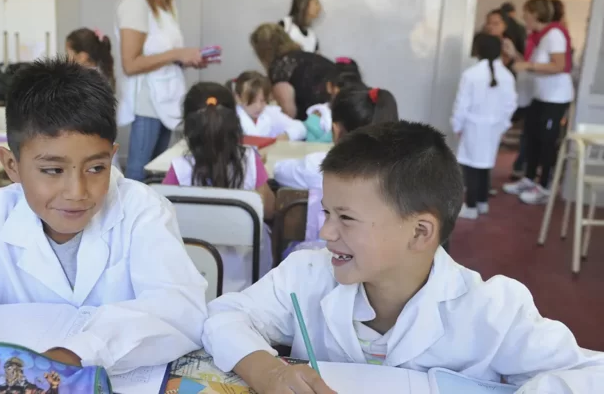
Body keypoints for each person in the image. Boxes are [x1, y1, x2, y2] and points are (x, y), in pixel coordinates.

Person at [202, 121, 604, 394]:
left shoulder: (492, 310)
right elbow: (223, 316)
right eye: (327, 212)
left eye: (346, 218)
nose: (325, 232)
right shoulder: (306, 275)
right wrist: (268, 371)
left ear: (420, 232)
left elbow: (591, 374)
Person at [0, 59, 208, 372]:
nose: (77, 191)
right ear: (12, 165)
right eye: (52, 170)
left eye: (96, 167)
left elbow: (180, 307)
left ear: (112, 157)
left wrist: (75, 354)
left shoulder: (143, 211)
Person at [162, 82, 275, 292]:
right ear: (235, 122)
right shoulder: (251, 161)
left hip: (193, 283)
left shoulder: (178, 168)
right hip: (247, 283)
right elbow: (268, 209)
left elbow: (163, 219)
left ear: (187, 125)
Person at [116, 0, 207, 182]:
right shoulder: (135, 3)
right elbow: (131, 64)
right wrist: (176, 53)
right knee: (140, 170)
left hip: (167, 97)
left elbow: (161, 54)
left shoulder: (165, 3)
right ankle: (131, 215)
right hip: (148, 101)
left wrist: (185, 60)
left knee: (158, 169)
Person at [275, 87, 399, 242]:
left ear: (336, 130)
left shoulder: (319, 165)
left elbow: (279, 171)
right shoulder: (400, 173)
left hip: (321, 258)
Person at [502, 0, 574, 205]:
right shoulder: (538, 36)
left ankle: (544, 187)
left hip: (555, 98)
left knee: (546, 142)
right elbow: (530, 64)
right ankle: (529, 178)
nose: (524, 16)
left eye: (526, 11)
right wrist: (513, 54)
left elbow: (559, 66)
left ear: (535, 13)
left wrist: (528, 67)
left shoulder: (554, 35)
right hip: (539, 95)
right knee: (531, 137)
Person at [452, 34, 517, 219]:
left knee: (472, 166)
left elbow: (461, 104)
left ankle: (471, 206)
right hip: (494, 127)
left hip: (473, 125)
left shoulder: (471, 74)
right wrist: (502, 125)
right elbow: (511, 105)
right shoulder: (507, 76)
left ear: (477, 50)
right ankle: (482, 202)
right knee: (485, 164)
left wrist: (457, 124)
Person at [250, 23, 336, 120]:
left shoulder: (280, 67)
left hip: (322, 118)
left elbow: (289, 113)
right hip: (344, 108)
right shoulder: (306, 57)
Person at [227, 71, 306, 140]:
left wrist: (287, 135)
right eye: (252, 101)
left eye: (262, 101)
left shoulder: (269, 112)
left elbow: (301, 128)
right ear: (238, 98)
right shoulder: (231, 119)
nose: (258, 107)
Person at [304, 57, 365, 143]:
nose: (346, 91)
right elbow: (309, 146)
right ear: (329, 87)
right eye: (341, 85)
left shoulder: (363, 111)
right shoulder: (319, 114)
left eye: (351, 85)